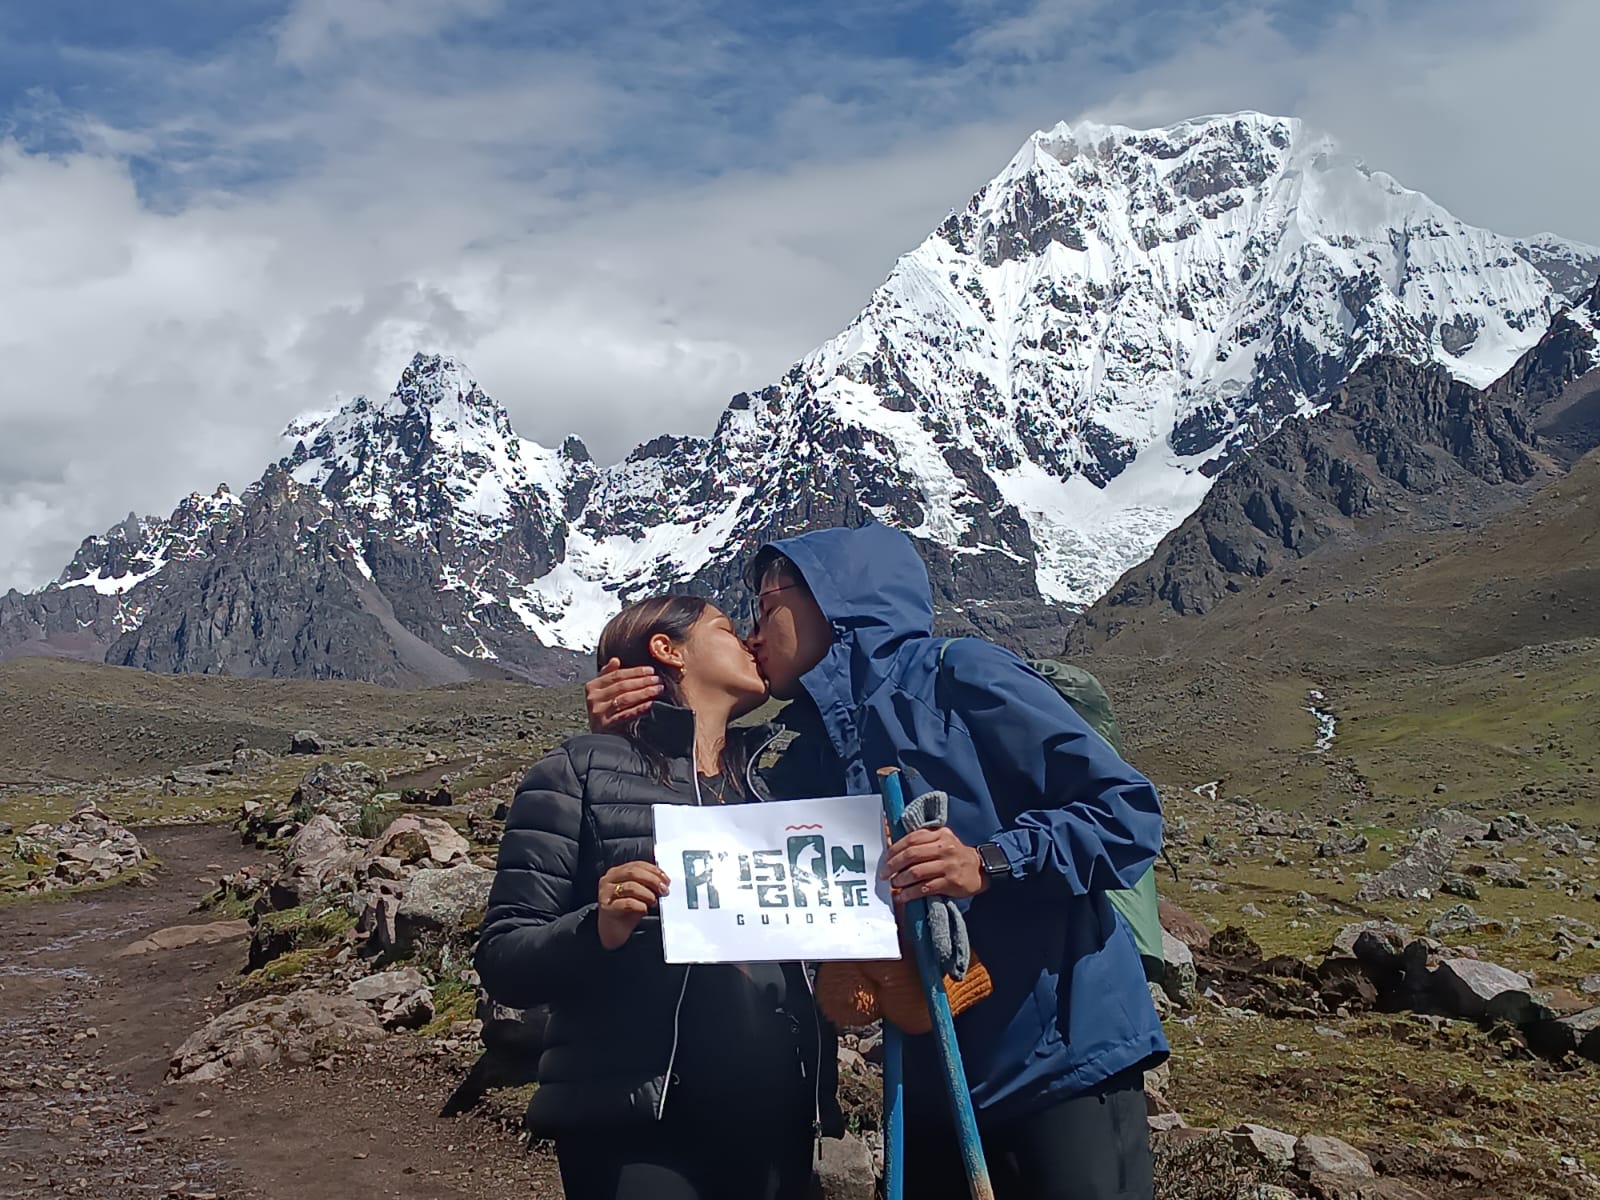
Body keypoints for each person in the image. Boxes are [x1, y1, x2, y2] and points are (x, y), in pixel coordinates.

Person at [587, 522, 1167, 1200]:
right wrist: (629, 731)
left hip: (1058, 1060)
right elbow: (719, 845)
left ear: (831, 598)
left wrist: (989, 862)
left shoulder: (959, 676)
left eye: (765, 608)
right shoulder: (804, 750)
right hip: (927, 1081)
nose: (752, 634)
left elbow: (1126, 810)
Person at [477, 595, 837, 1200]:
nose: (751, 642)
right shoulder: (577, 772)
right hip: (638, 1123)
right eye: (727, 629)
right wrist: (598, 927)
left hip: (780, 1120)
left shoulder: (779, 788)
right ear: (668, 650)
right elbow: (504, 958)